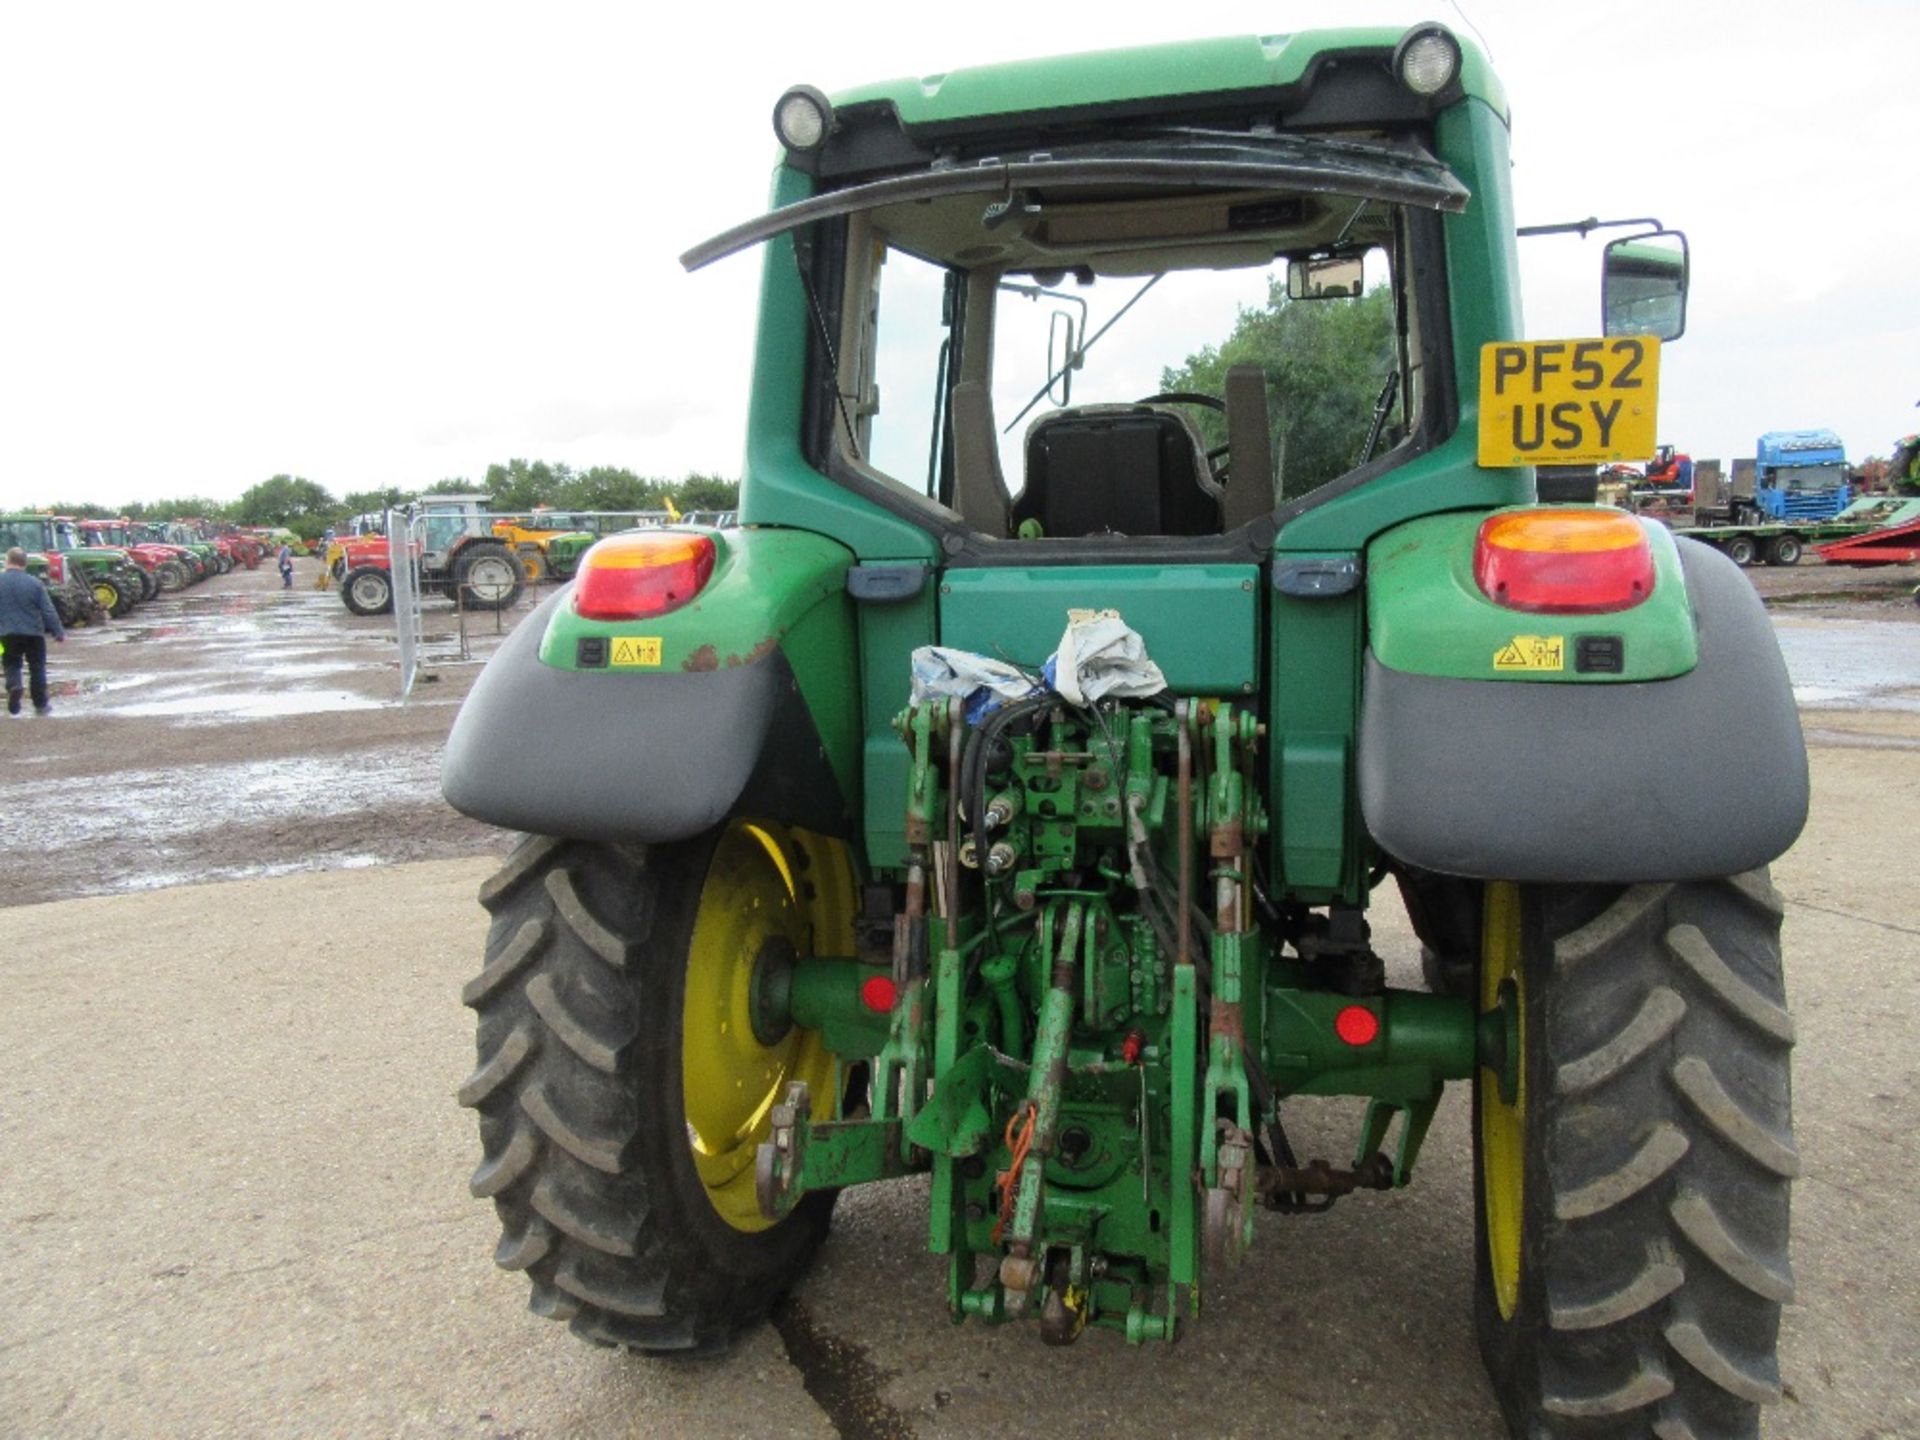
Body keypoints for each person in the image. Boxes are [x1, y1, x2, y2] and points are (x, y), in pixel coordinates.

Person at [1, 547, 66, 717]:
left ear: (7, 561)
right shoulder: (35, 583)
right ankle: (40, 704)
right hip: (34, 635)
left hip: (5, 634)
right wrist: (58, 631)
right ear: (25, 563)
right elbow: (48, 610)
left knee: (10, 663)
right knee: (37, 668)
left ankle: (14, 685)